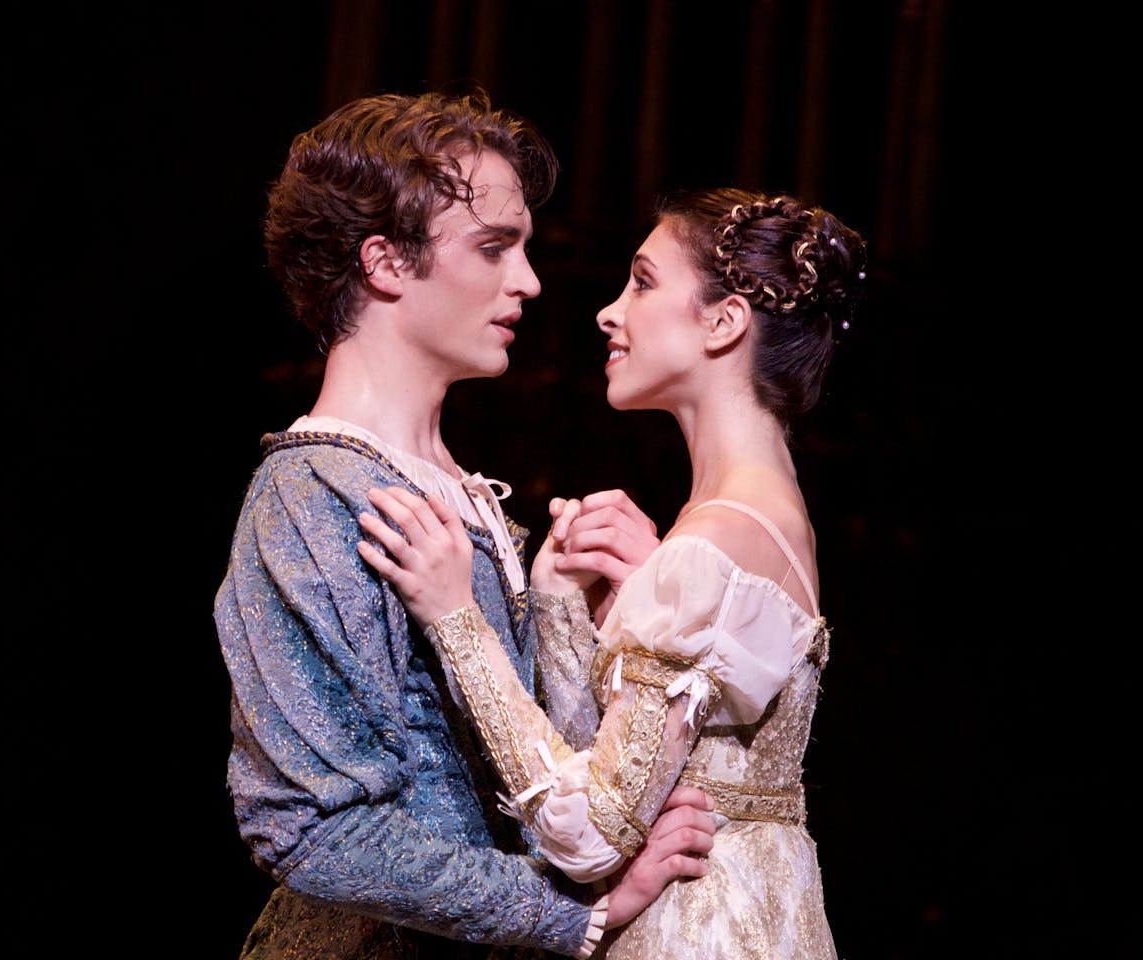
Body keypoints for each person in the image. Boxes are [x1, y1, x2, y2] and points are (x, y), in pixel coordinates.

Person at [213, 89, 718, 960]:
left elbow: (536, 774)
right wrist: (576, 911)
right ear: (384, 262)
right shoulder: (313, 497)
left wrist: (576, 609)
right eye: (494, 248)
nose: (528, 279)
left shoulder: (470, 499)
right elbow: (308, 828)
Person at [358, 187, 867, 958]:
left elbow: (591, 834)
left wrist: (455, 617)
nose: (609, 310)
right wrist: (572, 597)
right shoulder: (756, 519)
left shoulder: (717, 544)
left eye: (643, 282)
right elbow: (611, 769)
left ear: (724, 322)